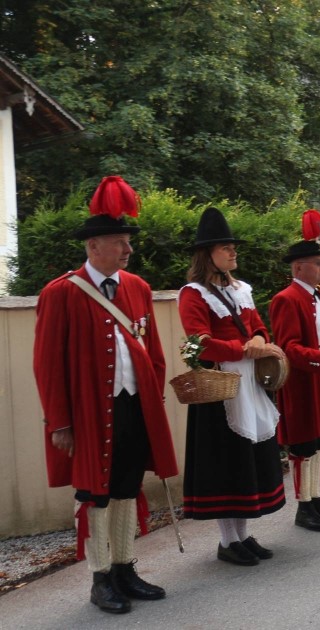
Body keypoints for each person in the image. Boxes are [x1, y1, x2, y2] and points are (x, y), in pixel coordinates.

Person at [34, 176, 177, 614]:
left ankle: (124, 566)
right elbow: (47, 364)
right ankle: (100, 578)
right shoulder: (60, 293)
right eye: (120, 242)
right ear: (94, 246)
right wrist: (60, 421)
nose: (128, 250)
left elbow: (151, 350)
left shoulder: (136, 287)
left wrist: (153, 394)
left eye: (127, 243)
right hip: (90, 412)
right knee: (95, 493)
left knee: (127, 486)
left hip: (134, 405)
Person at [178, 207, 288, 566]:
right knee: (228, 462)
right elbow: (200, 341)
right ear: (208, 254)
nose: (233, 252)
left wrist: (259, 340)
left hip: (249, 382)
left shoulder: (241, 289)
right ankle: (228, 541)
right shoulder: (192, 294)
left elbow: (259, 326)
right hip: (221, 386)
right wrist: (244, 348)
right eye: (226, 247)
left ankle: (242, 535)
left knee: (246, 461)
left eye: (232, 247)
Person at [269, 212, 320, 532]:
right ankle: (304, 505)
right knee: (303, 444)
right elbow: (288, 347)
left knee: (318, 442)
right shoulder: (287, 299)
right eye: (317, 263)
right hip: (304, 381)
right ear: (298, 266)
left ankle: (316, 499)